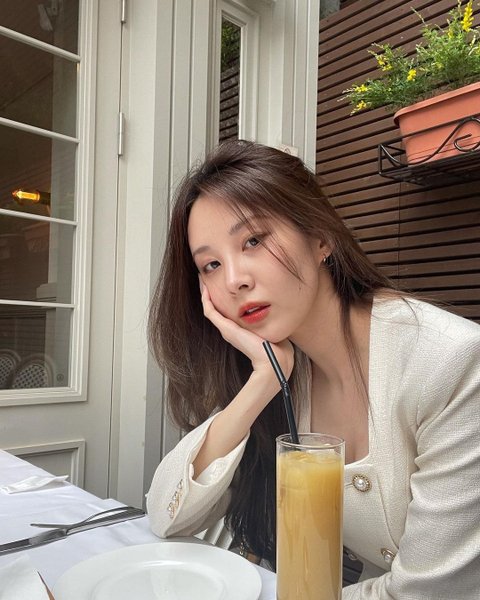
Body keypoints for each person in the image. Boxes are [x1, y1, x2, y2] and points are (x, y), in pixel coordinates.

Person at [146, 140, 480, 598]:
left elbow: (430, 592)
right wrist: (263, 382)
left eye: (253, 240)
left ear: (320, 236)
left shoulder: (450, 361)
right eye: (211, 264)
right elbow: (167, 516)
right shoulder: (286, 370)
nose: (234, 280)